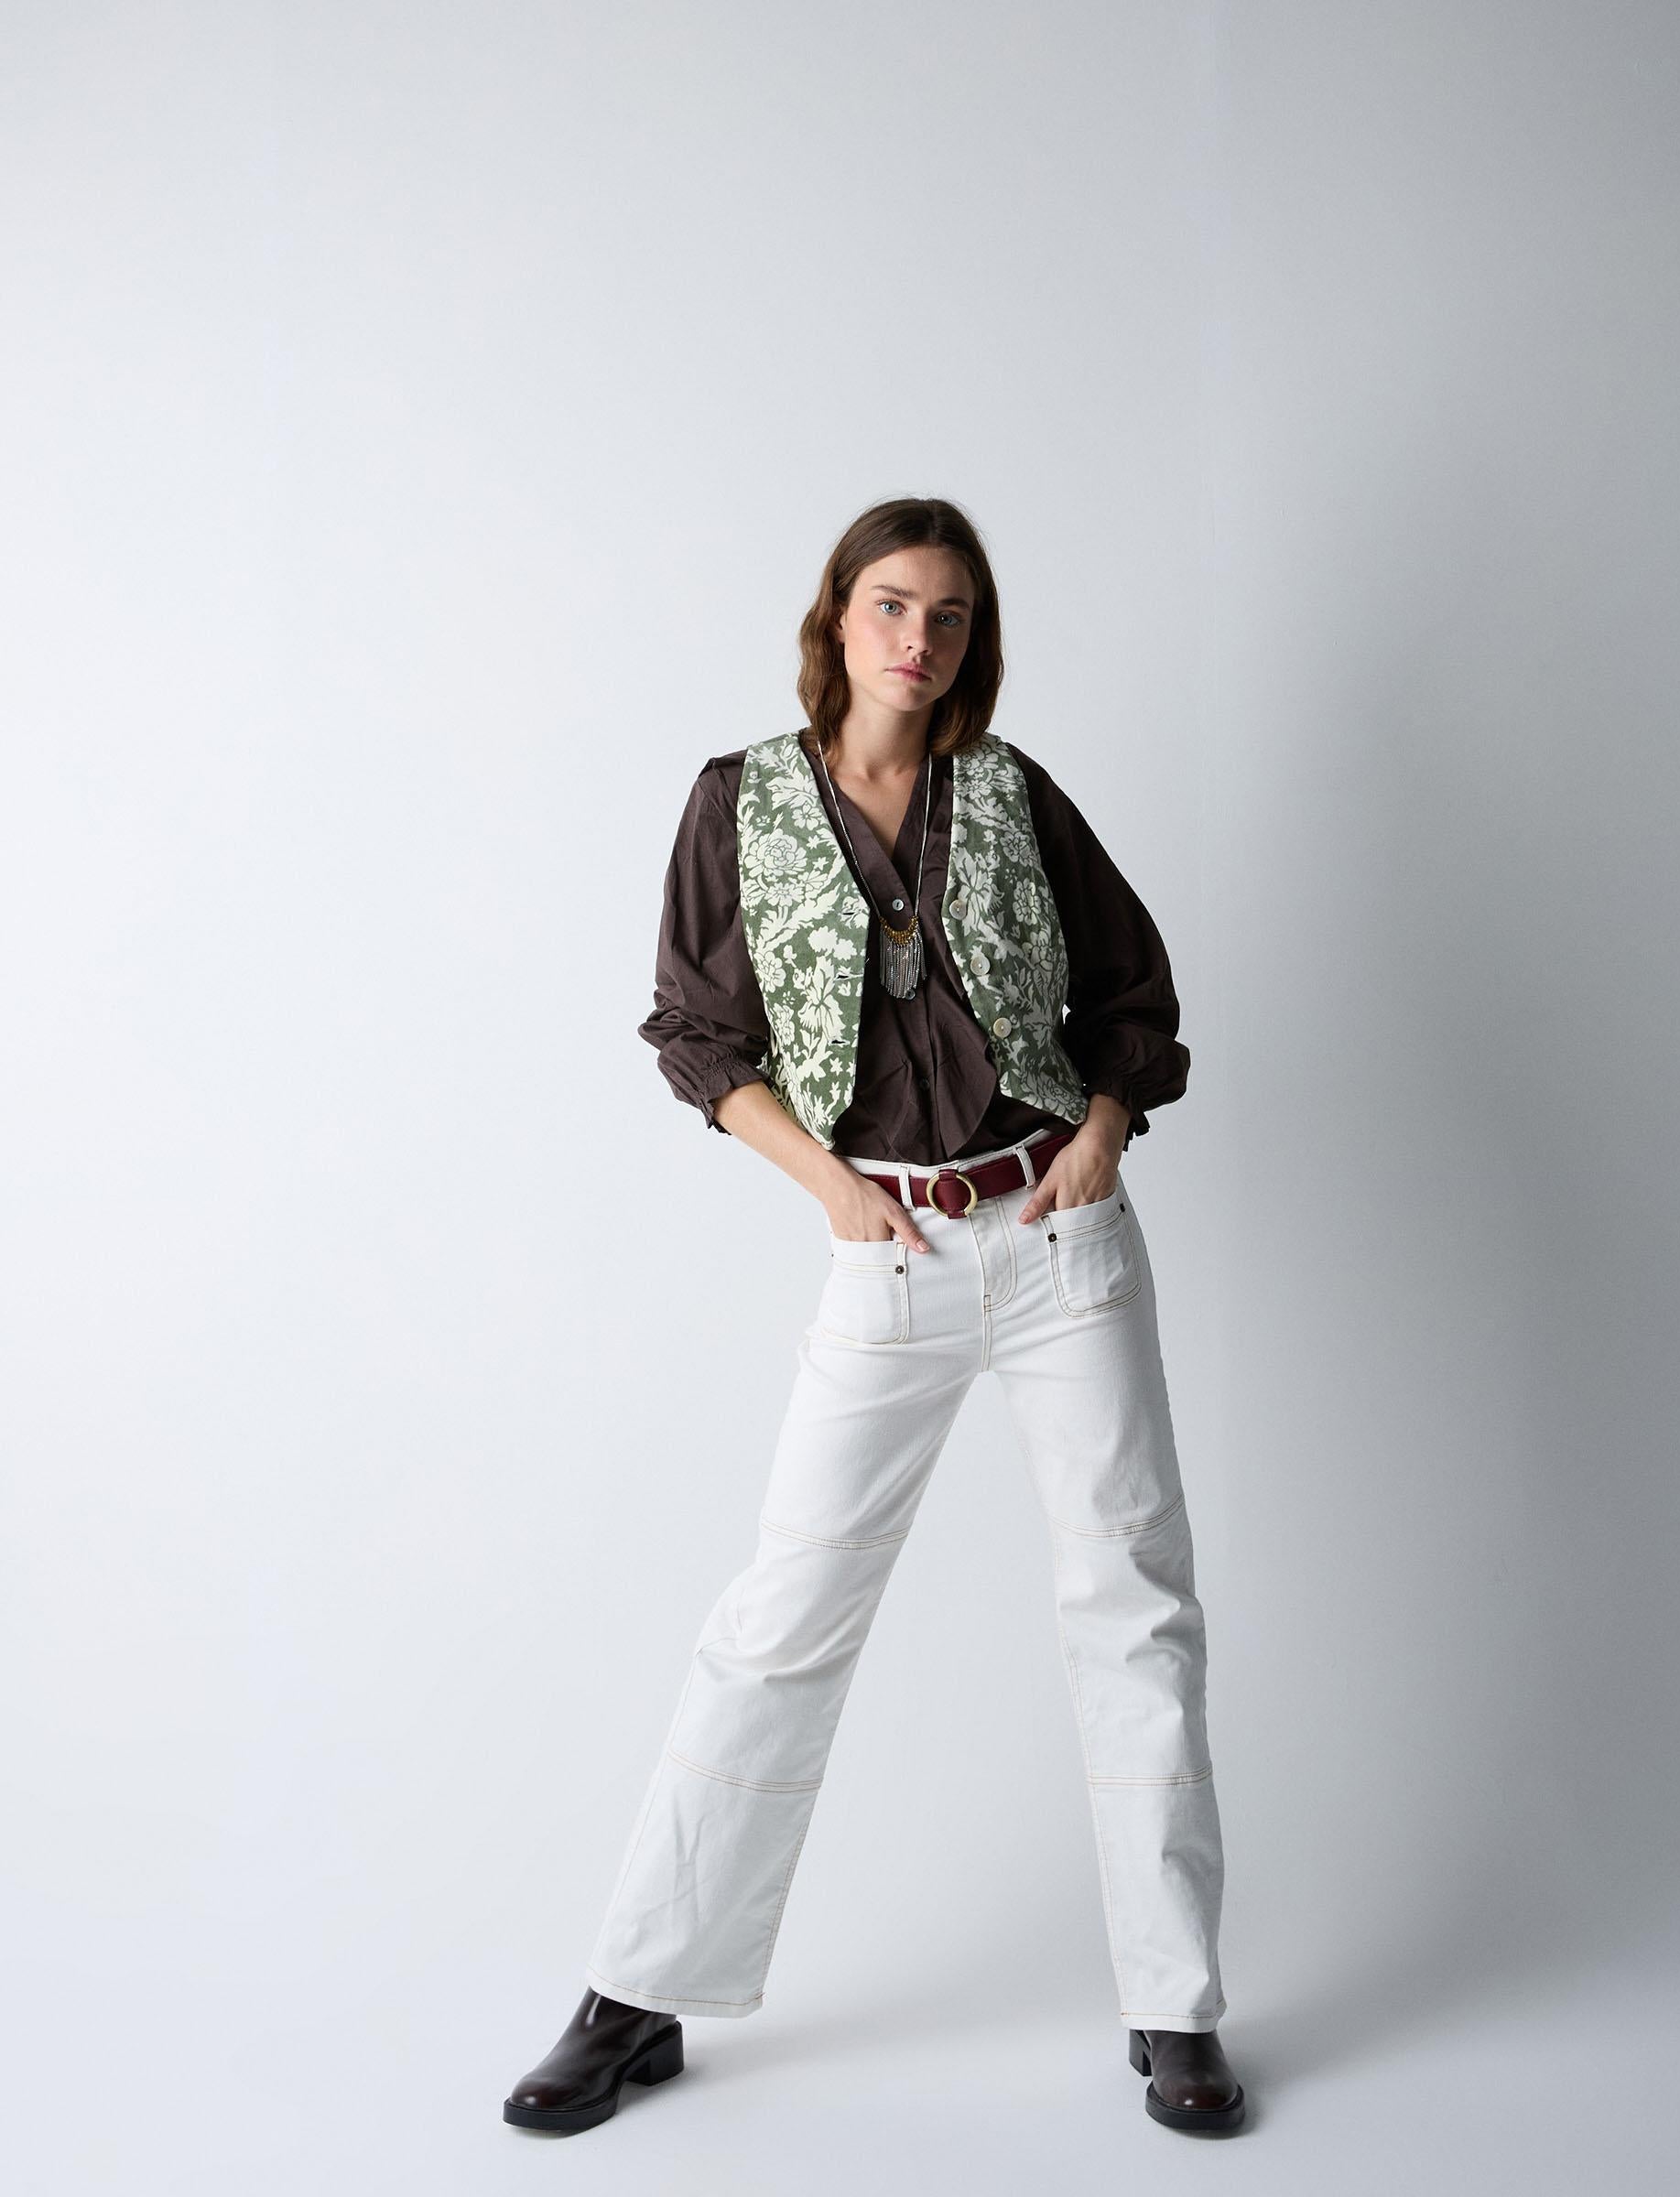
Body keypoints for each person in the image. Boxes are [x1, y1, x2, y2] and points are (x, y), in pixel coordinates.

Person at [503, 497, 1244, 2138]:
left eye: (952, 615)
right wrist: (832, 1190)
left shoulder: (1015, 793)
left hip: (1060, 1239)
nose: (920, 639)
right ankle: (638, 1994)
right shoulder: (741, 798)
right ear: (837, 615)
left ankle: (1176, 2009)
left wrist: (1101, 1138)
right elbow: (698, 1033)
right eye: (894, 605)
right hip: (889, 1250)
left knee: (1134, 1608)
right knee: (783, 1615)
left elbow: (1133, 995)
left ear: (977, 641)